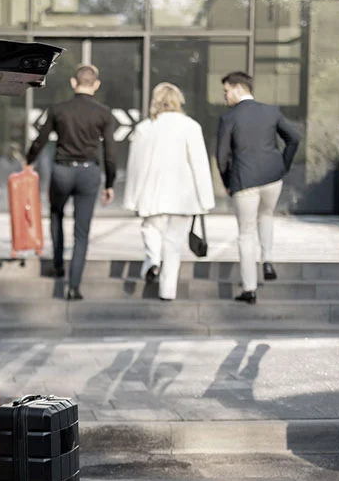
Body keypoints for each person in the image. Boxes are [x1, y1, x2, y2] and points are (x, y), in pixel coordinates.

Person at [25, 63, 117, 300]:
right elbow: (110, 153)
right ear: (96, 85)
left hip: (62, 171)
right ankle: (74, 286)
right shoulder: (104, 113)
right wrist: (110, 183)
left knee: (56, 214)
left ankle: (57, 265)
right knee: (82, 232)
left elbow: (40, 140)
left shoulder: (58, 109)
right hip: (89, 173)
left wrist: (29, 161)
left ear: (73, 83)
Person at [123, 82, 216, 301]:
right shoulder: (190, 126)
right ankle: (167, 291)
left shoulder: (145, 128)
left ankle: (153, 260)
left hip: (152, 193)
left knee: (151, 229)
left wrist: (131, 198)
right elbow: (199, 164)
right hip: (182, 197)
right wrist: (206, 199)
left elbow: (135, 166)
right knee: (174, 245)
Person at [217, 71, 301, 305]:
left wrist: (227, 182)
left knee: (245, 234)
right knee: (266, 216)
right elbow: (294, 138)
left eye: (226, 91)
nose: (225, 97)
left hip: (244, 180)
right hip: (272, 178)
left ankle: (250, 289)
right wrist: (282, 165)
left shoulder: (229, 118)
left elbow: (221, 156)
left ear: (238, 88)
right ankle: (267, 259)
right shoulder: (271, 111)